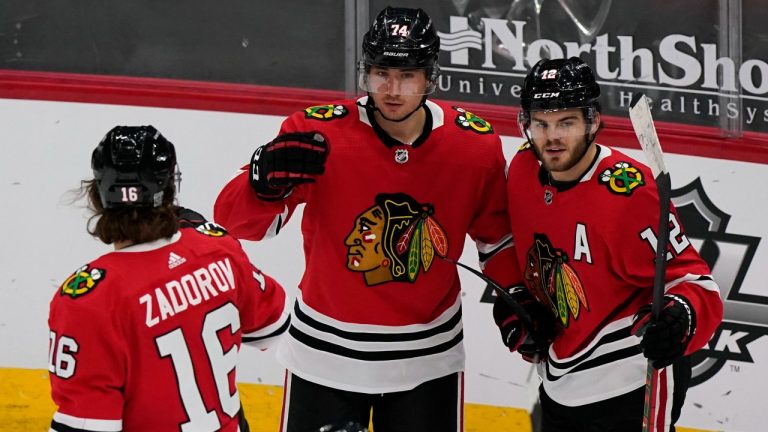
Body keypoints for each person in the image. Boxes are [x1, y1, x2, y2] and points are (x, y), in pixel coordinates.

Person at [214, 6, 517, 432]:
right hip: (323, 355)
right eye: (381, 73)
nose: (392, 89)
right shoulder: (318, 133)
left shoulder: (474, 146)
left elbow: (498, 241)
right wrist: (261, 184)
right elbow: (238, 223)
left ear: (430, 77)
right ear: (366, 73)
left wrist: (517, 296)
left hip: (427, 361)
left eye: (407, 76)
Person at [491, 56, 724, 431]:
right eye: (541, 123)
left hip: (631, 378)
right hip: (560, 376)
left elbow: (697, 285)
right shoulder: (521, 171)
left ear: (592, 121)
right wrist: (517, 302)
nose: (552, 137)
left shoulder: (630, 193)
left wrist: (679, 317)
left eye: (566, 123)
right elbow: (506, 245)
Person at [47, 125, 290, 432]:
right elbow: (274, 329)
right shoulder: (217, 249)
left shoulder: (89, 300)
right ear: (171, 189)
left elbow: (86, 426)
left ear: (97, 195)